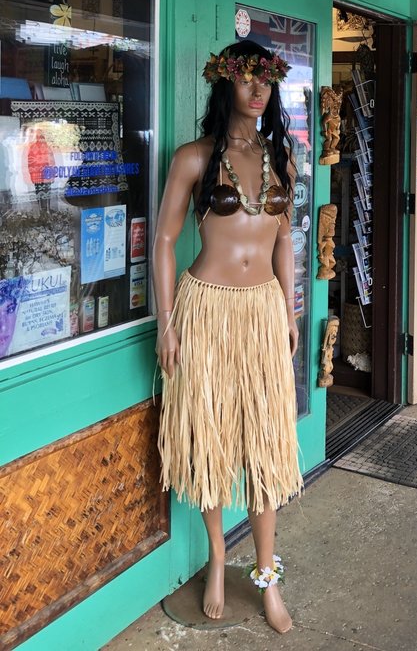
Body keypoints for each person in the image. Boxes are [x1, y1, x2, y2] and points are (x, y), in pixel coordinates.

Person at [153, 39, 303, 631]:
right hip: (206, 311)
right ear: (225, 83)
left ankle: (267, 575)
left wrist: (289, 311)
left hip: (262, 311)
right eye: (245, 78)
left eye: (266, 78)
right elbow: (165, 242)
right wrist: (167, 324)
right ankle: (218, 556)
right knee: (211, 438)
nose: (258, 88)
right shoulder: (194, 157)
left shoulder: (282, 158)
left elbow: (285, 240)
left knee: (265, 446)